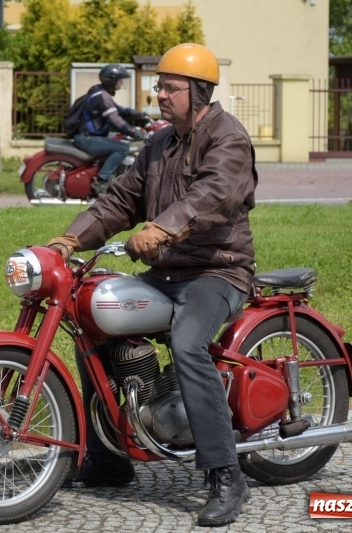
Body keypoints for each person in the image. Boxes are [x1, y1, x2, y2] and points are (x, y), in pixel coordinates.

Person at [47, 43, 258, 527]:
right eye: (159, 86)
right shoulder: (160, 144)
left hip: (217, 271)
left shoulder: (228, 138)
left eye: (171, 87)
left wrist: (162, 228)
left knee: (188, 343)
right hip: (165, 274)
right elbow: (120, 200)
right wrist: (70, 239)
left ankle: (227, 476)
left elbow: (213, 196)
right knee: (93, 323)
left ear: (199, 92)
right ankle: (109, 458)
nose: (160, 94)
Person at [71, 64, 148, 196]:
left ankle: (113, 174)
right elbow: (114, 119)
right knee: (122, 148)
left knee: (120, 138)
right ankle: (102, 181)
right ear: (112, 80)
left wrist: (138, 114)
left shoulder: (100, 92)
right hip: (87, 138)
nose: (122, 82)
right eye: (120, 79)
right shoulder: (102, 96)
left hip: (90, 135)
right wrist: (133, 131)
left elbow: (119, 110)